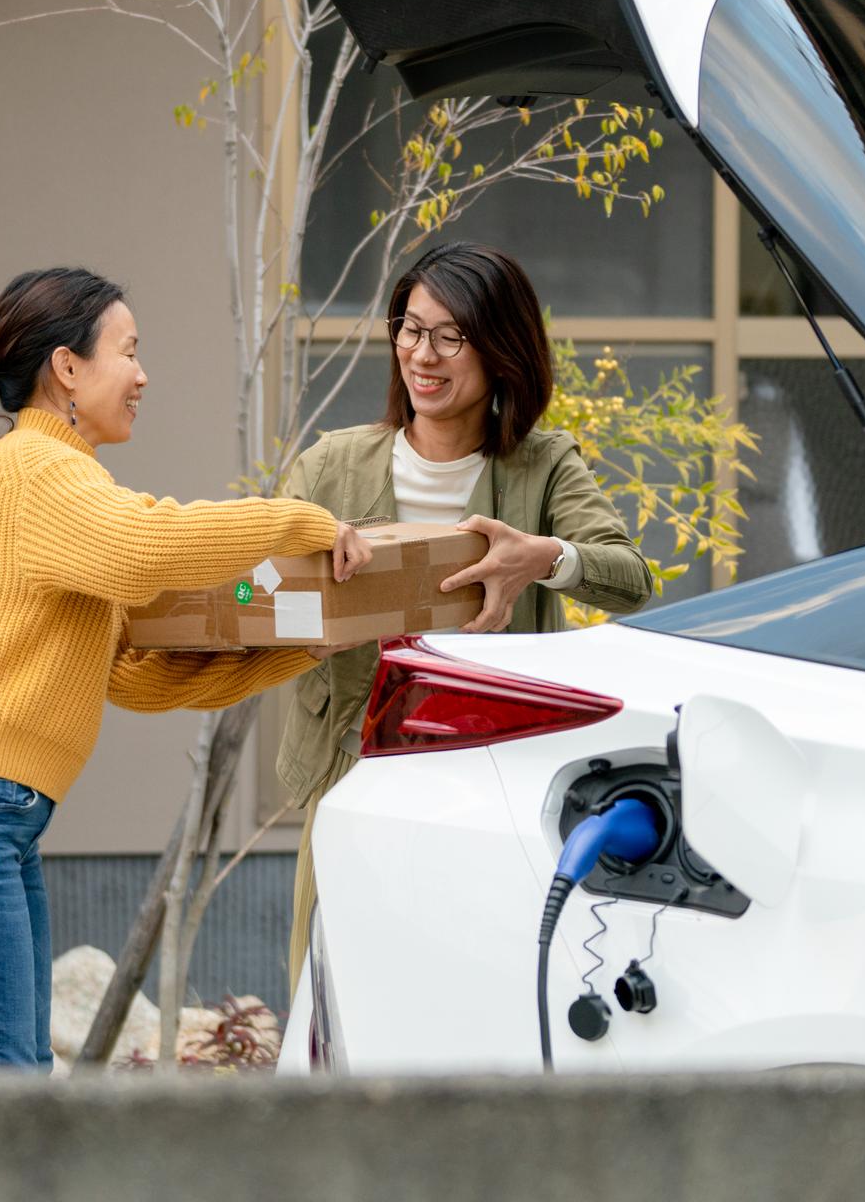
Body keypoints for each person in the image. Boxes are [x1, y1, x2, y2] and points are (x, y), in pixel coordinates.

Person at [0, 266, 371, 1070]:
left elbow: (134, 675)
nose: (143, 375)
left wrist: (300, 650)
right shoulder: (37, 472)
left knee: (14, 1077)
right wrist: (300, 522)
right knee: (6, 1087)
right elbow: (148, 546)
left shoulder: (54, 481)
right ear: (67, 368)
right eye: (128, 351)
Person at [279, 242, 653, 990]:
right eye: (411, 329)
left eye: (451, 336)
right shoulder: (332, 466)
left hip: (493, 777)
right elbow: (254, 597)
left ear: (500, 349)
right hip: (357, 770)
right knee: (340, 990)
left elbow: (632, 580)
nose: (424, 353)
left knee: (479, 991)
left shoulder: (540, 465)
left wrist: (545, 557)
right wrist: (303, 630)